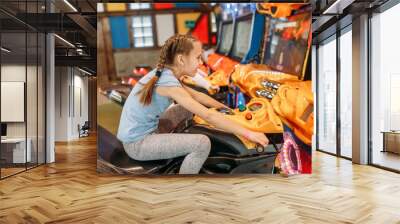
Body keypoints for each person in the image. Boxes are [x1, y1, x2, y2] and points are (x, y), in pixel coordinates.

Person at [117, 34, 269, 174]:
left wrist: (229, 111)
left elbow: (197, 96)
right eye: (197, 58)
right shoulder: (169, 83)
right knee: (202, 144)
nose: (201, 62)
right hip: (138, 144)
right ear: (181, 60)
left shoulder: (167, 74)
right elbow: (208, 115)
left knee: (184, 108)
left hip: (145, 130)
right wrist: (249, 133)